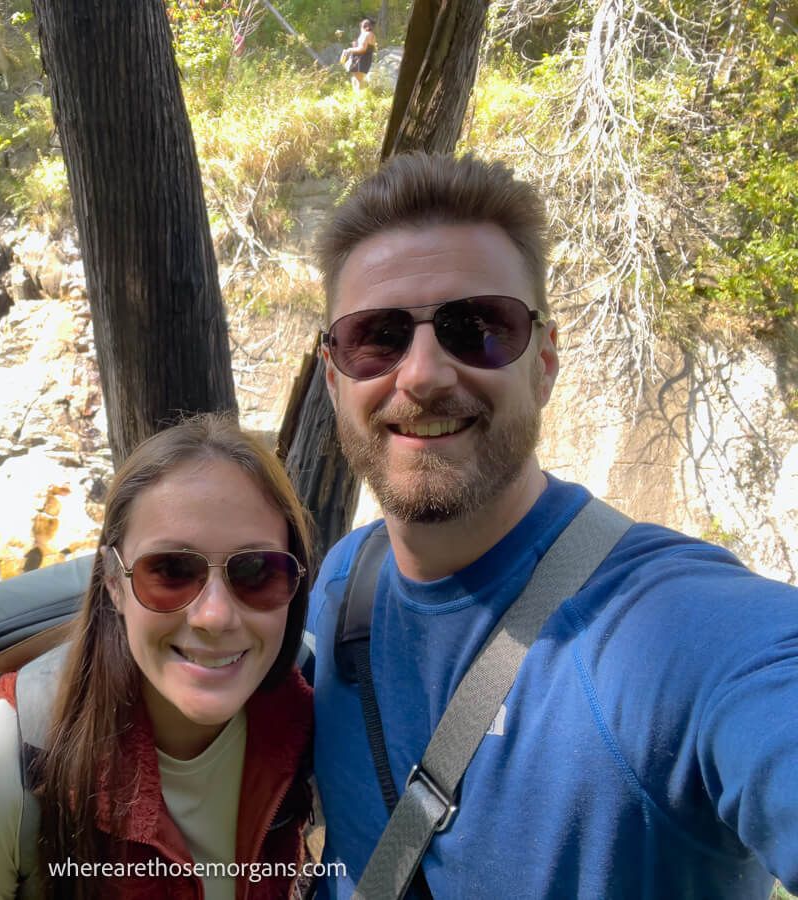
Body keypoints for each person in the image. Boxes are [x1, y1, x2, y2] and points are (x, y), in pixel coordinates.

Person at [307, 152, 798, 897]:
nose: (424, 374)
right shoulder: (341, 586)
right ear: (335, 376)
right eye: (378, 335)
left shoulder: (667, 632)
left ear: (545, 361)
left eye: (475, 328)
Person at [0, 414, 315, 899]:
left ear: (294, 585)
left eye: (256, 571)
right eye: (170, 570)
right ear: (112, 583)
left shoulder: (305, 723)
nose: (214, 616)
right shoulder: (2, 770)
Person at [340, 18, 377, 91]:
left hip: (360, 59)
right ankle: (359, 95)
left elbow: (362, 48)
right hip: (366, 58)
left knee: (359, 80)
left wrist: (350, 50)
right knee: (356, 79)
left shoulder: (365, 34)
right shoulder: (372, 35)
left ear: (363, 27)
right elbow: (368, 47)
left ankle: (360, 97)